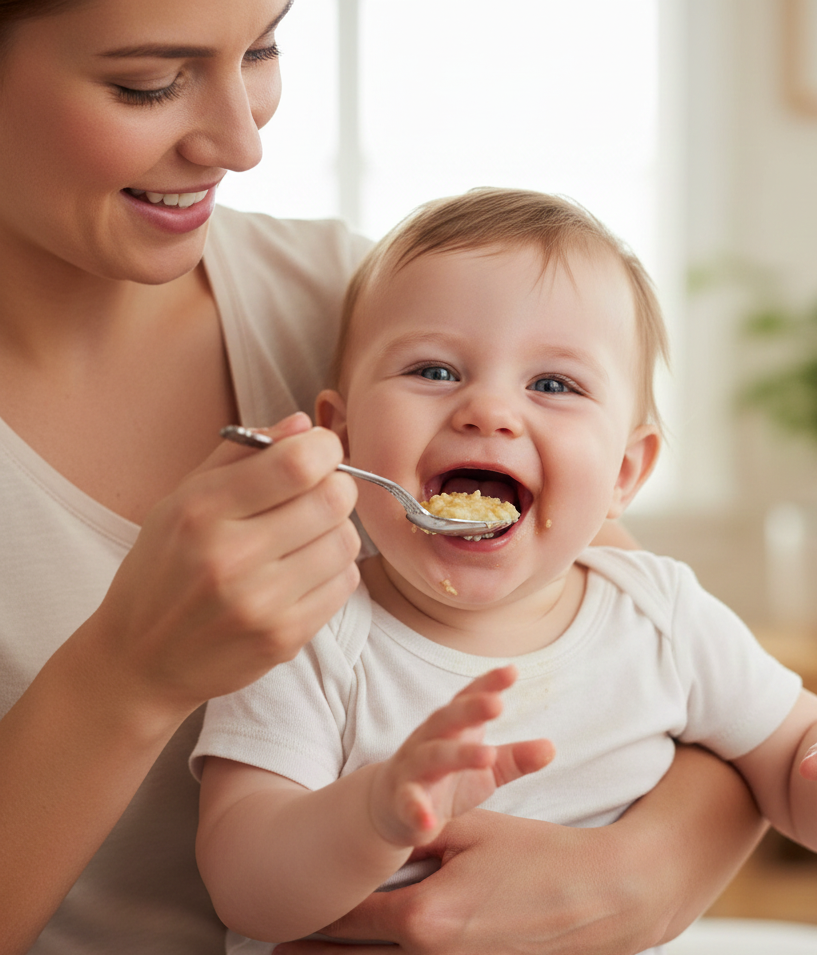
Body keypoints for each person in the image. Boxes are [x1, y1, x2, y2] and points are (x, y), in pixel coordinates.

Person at [0, 2, 776, 954]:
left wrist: (644, 875)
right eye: (147, 84)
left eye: (262, 48)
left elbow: (658, 671)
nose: (243, 144)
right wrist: (130, 672)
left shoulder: (354, 298)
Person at [191, 188, 817, 954]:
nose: (487, 410)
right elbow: (244, 884)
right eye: (433, 369)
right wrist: (372, 814)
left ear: (624, 472)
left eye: (552, 385)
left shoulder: (660, 615)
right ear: (341, 434)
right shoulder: (308, 627)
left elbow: (798, 783)